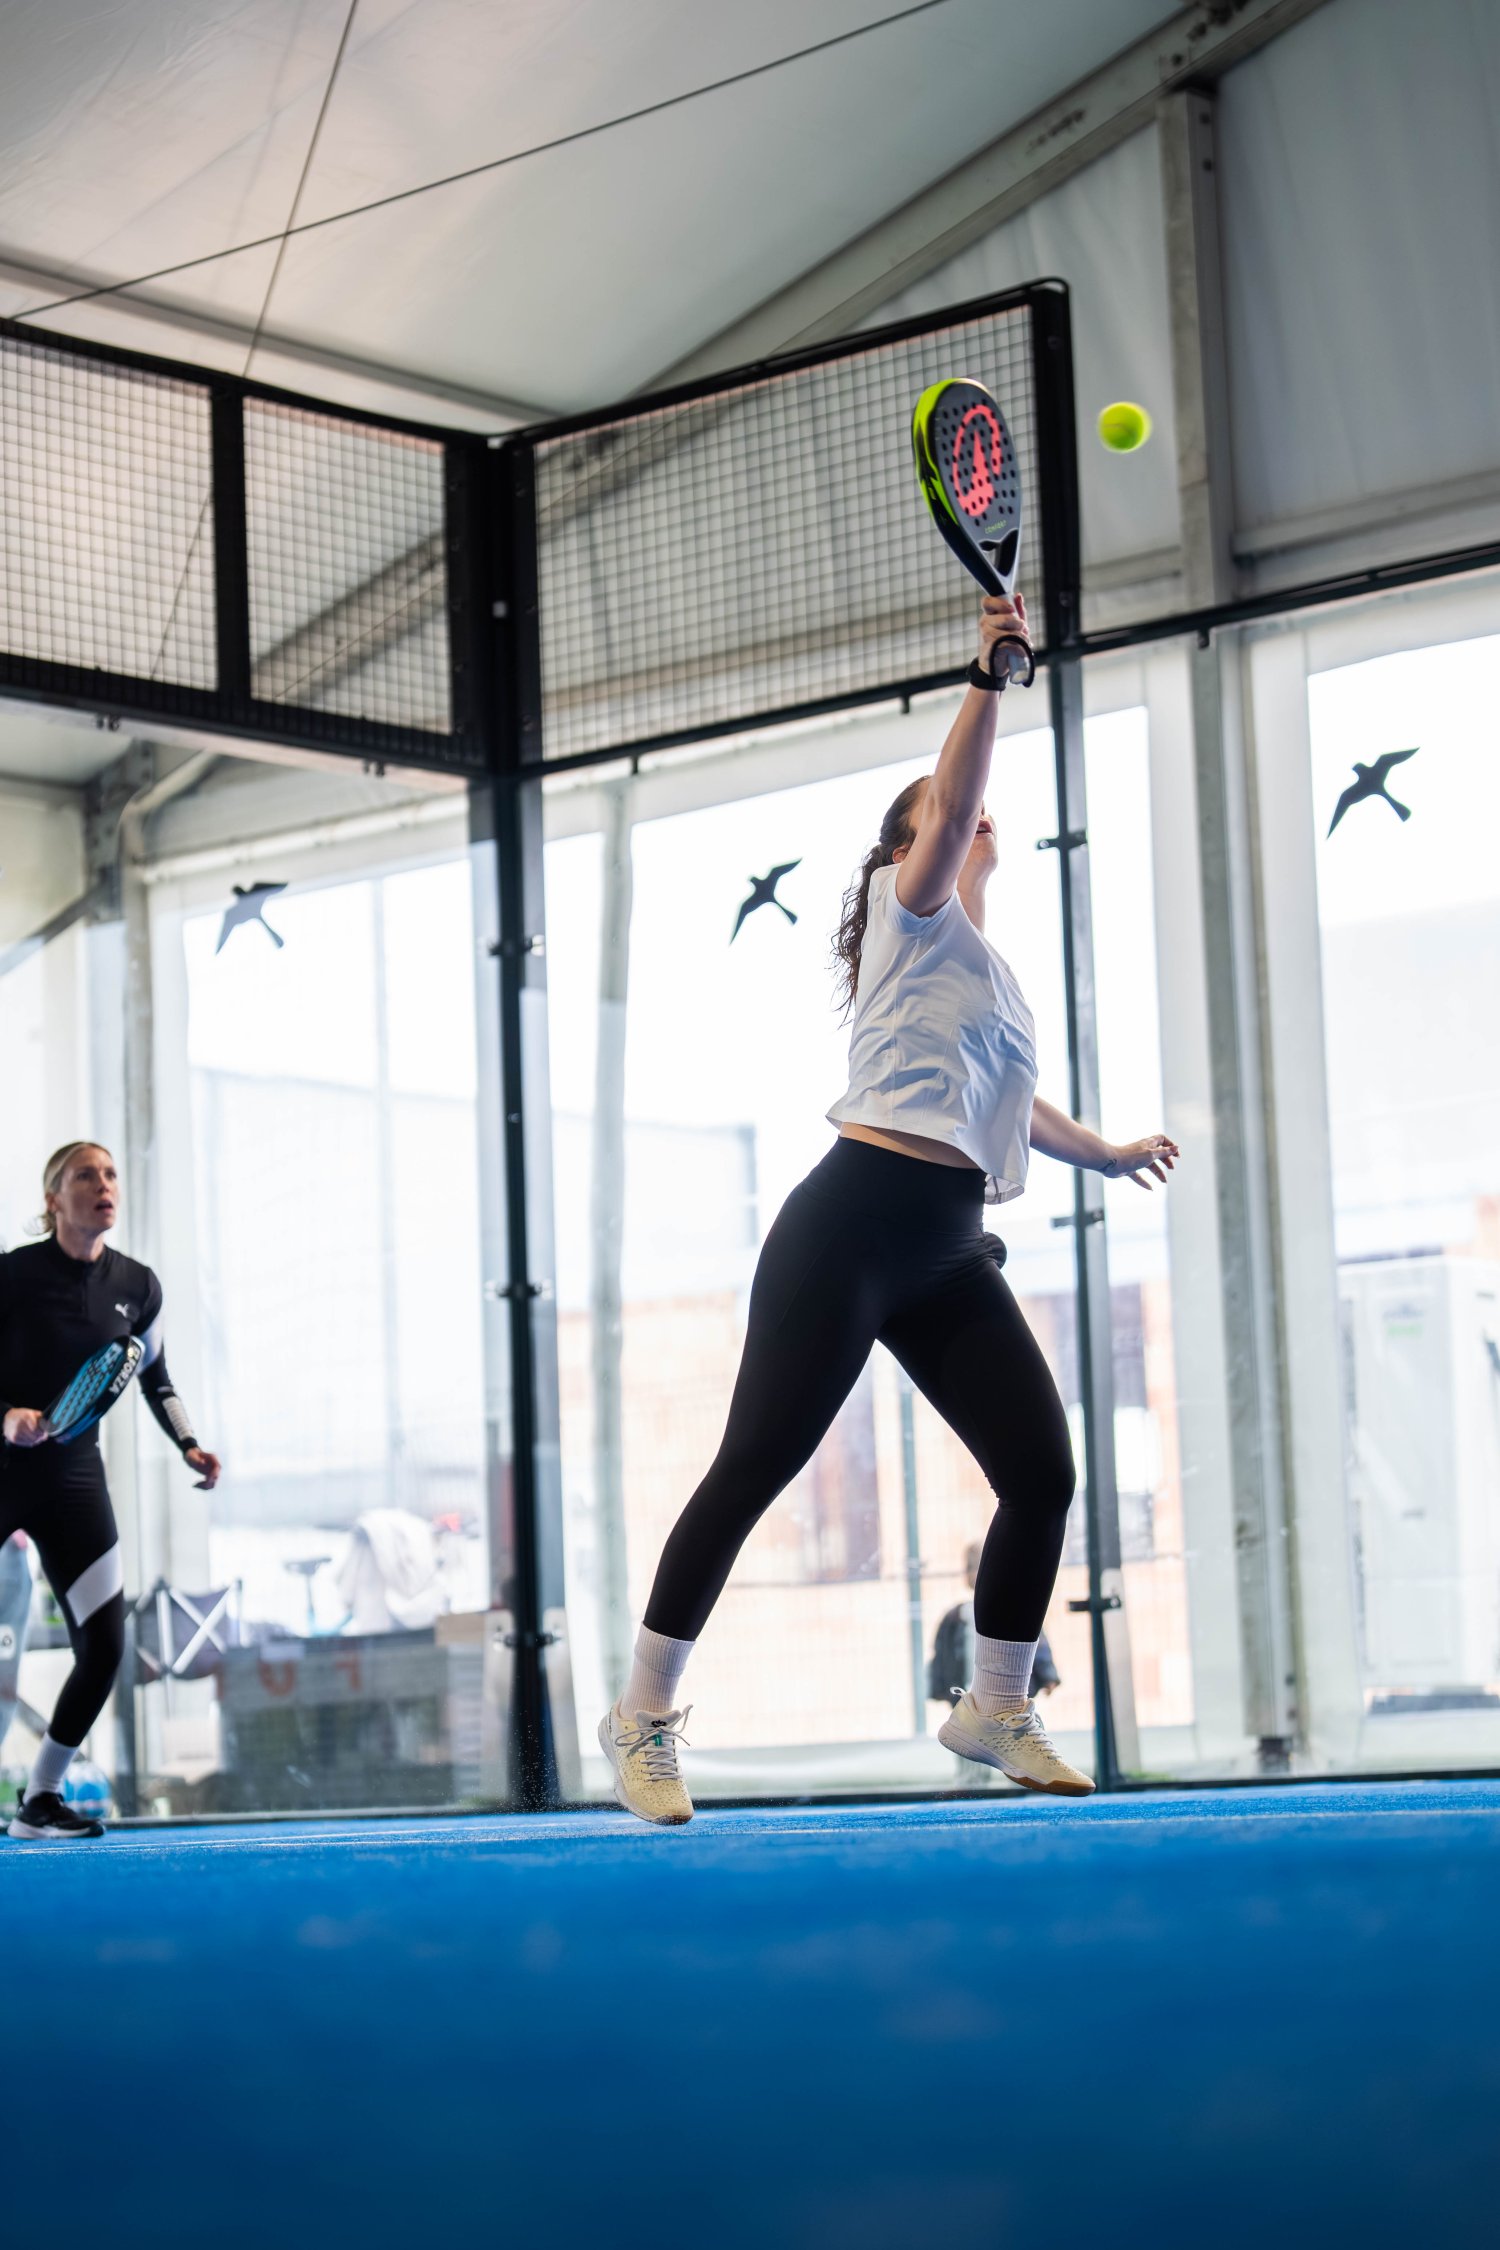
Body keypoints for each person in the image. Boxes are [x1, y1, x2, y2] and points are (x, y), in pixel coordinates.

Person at [598, 592, 1178, 1825]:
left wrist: (1108, 1151)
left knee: (1042, 1470)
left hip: (951, 1249)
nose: (969, 818)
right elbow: (957, 800)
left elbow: (1009, 1110)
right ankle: (641, 1717)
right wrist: (988, 676)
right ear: (906, 847)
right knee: (754, 1468)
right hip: (850, 1228)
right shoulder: (910, 920)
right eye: (942, 812)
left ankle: (996, 1705)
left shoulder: (991, 981)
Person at [0, 1142, 221, 1841]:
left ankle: (40, 1799)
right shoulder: (10, 1276)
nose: (104, 1184)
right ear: (53, 1199)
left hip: (73, 1480)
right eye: (85, 1175)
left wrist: (188, 1442)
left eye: (111, 1174)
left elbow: (155, 1375)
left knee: (104, 1646)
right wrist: (6, 1418)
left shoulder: (139, 1286)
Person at [928, 1538, 1060, 1712]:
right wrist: (938, 1686)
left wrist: (1047, 1675)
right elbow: (941, 1651)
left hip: (1010, 1694)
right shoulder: (955, 1617)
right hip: (967, 1695)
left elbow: (1036, 1643)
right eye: (973, 1567)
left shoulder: (1016, 1611)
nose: (979, 1573)